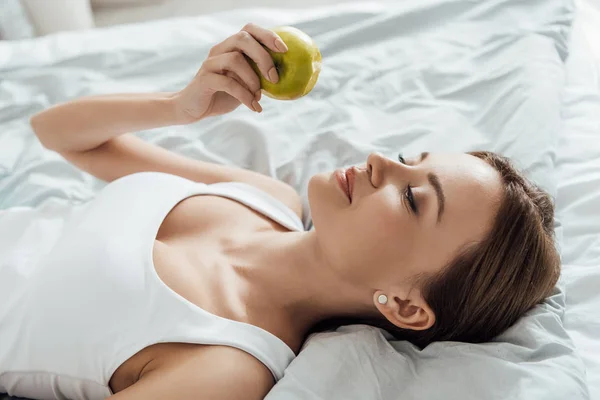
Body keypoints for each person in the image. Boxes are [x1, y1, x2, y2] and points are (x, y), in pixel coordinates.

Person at [1, 23, 559, 400]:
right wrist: (180, 106)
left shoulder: (228, 366)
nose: (377, 163)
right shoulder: (266, 199)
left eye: (414, 199)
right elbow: (59, 134)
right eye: (406, 160)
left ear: (409, 309)